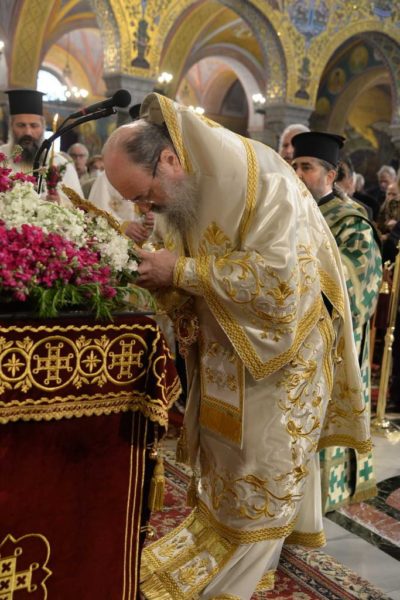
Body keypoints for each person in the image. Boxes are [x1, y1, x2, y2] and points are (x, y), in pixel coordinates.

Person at [102, 93, 371, 599]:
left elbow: (280, 283)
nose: (145, 208)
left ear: (168, 159)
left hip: (281, 351)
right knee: (227, 459)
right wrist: (162, 273)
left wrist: (178, 271)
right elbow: (185, 260)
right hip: (226, 346)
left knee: (259, 463)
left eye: (145, 195)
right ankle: (218, 543)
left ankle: (235, 578)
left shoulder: (263, 179)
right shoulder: (187, 185)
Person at [292, 131, 382, 513]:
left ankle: (322, 499)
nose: (298, 174)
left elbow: (358, 285)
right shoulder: (287, 215)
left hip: (330, 346)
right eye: (294, 166)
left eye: (307, 167)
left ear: (331, 175)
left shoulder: (351, 223)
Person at [0, 88, 83, 200]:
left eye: (34, 126)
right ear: (11, 126)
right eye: (21, 125)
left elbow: (79, 205)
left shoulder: (60, 164)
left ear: (43, 127)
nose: (28, 132)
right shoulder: (1, 157)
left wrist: (59, 202)